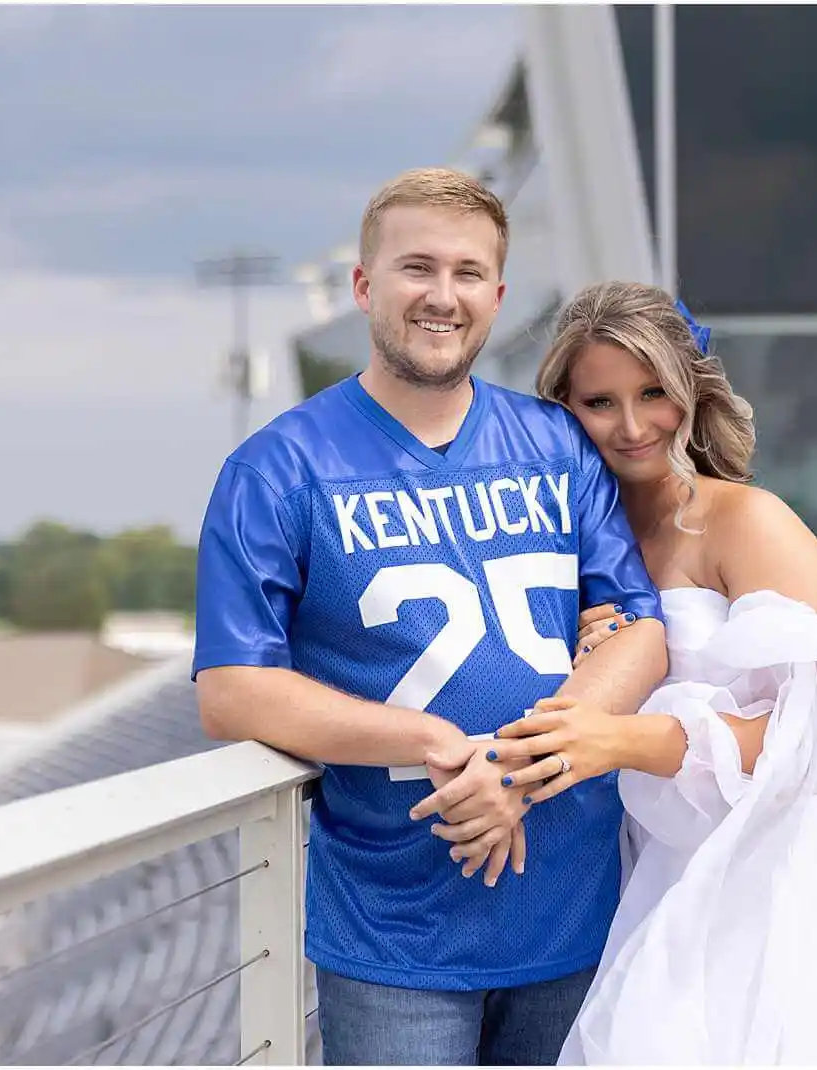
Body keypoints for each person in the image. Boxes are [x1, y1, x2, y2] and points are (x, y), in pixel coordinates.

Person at [193, 171, 670, 1066]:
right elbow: (231, 689)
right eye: (417, 268)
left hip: (578, 905)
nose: (442, 296)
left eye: (467, 273)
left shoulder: (557, 443)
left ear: (497, 295)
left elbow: (637, 626)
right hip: (396, 933)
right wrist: (424, 736)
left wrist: (512, 766)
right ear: (365, 285)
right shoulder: (276, 469)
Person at [460, 281, 817, 1064]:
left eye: (653, 394)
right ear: (563, 411)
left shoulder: (749, 523)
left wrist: (622, 739)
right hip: (620, 864)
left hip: (765, 866)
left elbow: (803, 739)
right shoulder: (551, 548)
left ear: (690, 393)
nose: (633, 426)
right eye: (599, 402)